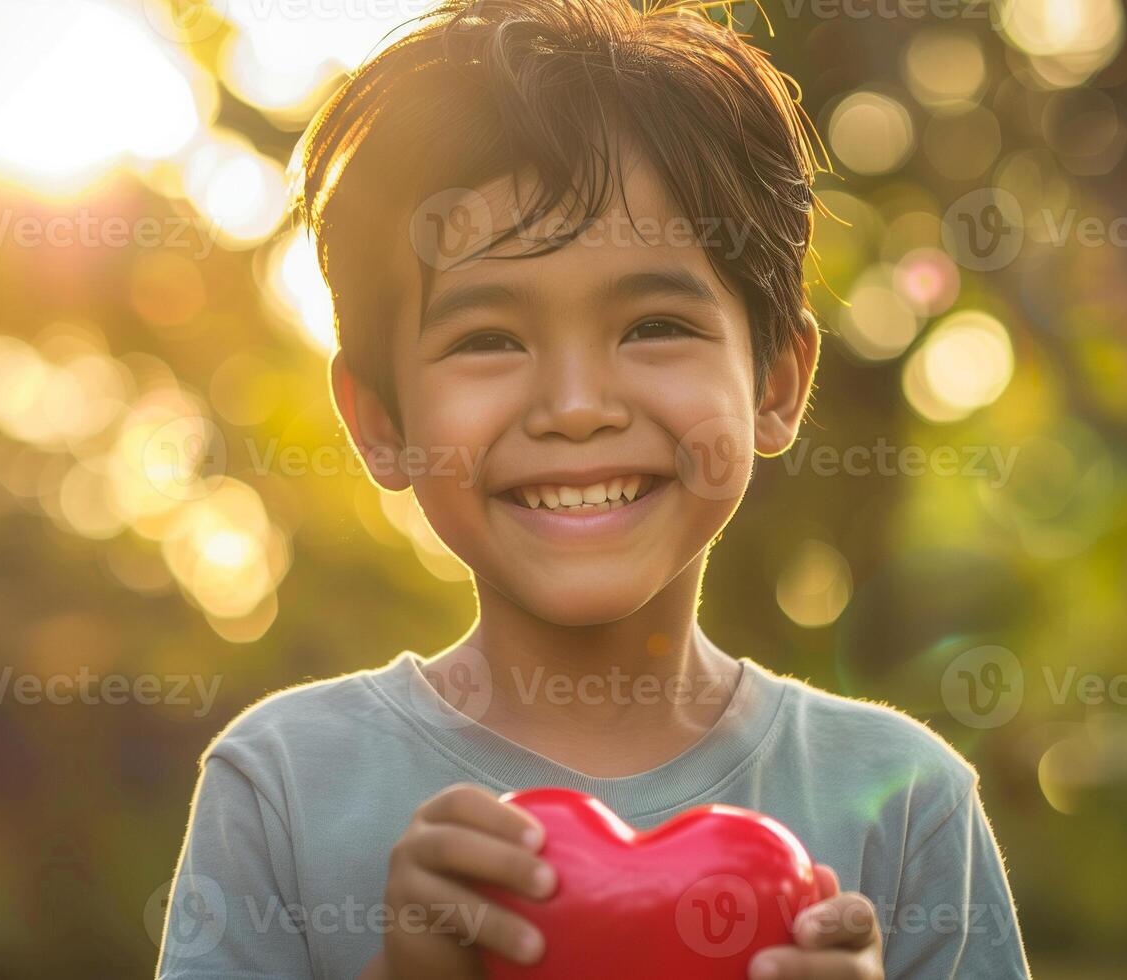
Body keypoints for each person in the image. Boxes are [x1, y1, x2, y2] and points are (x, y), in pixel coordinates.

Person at [157, 2, 1028, 977]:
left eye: (653, 324)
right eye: (488, 339)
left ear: (774, 384)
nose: (575, 407)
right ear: (381, 422)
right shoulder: (282, 786)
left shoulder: (904, 803)